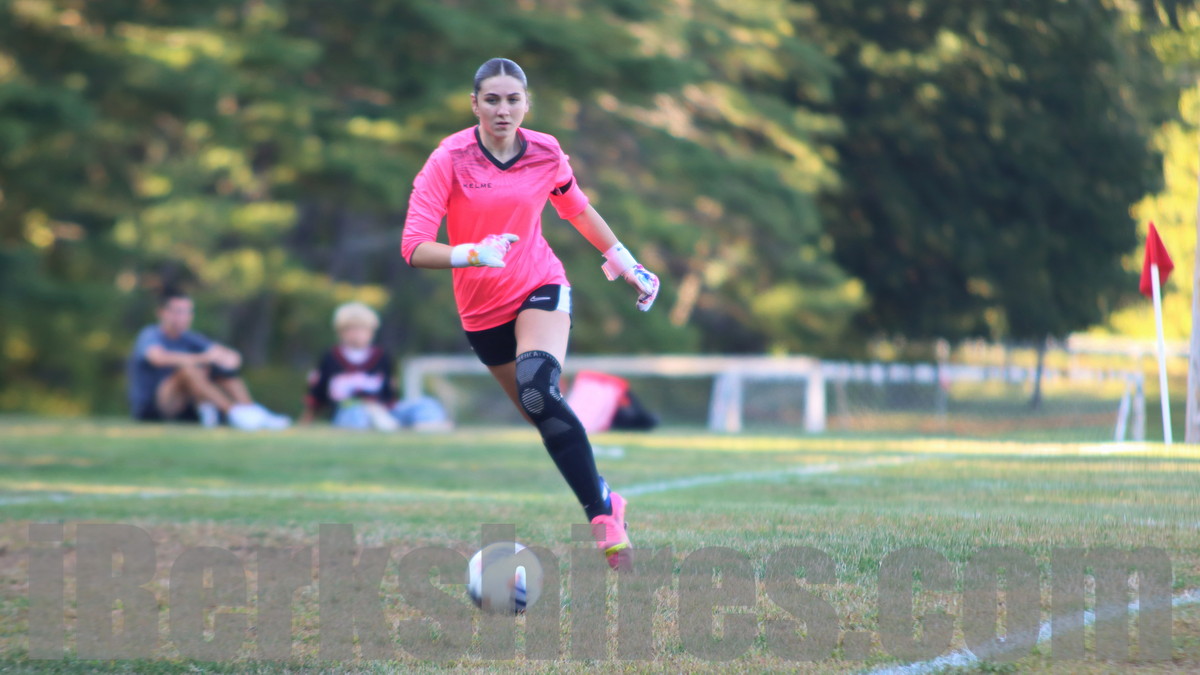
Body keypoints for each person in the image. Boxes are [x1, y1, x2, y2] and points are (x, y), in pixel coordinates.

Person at [401, 57, 661, 569]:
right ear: (474, 104)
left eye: (513, 99)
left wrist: (625, 263)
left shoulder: (545, 151)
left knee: (538, 389)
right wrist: (473, 253)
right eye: (492, 100)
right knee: (539, 412)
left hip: (539, 285)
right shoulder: (448, 158)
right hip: (481, 310)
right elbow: (414, 246)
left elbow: (576, 208)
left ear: (526, 103)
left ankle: (600, 519)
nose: (503, 110)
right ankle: (608, 497)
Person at [126, 290, 291, 430]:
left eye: (188, 312)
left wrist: (220, 361)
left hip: (187, 405)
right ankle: (233, 413)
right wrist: (203, 358)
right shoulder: (151, 334)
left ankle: (251, 411)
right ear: (162, 313)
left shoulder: (190, 338)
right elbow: (157, 357)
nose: (184, 317)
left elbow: (232, 357)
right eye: (178, 312)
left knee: (219, 370)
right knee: (188, 368)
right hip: (154, 407)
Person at [298, 302, 450, 431]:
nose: (357, 334)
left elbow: (391, 394)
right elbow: (317, 394)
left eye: (362, 329)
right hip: (349, 412)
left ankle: (428, 426)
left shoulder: (382, 357)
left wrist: (382, 410)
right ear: (341, 332)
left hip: (383, 411)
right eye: (351, 329)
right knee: (356, 412)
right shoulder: (330, 357)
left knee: (426, 404)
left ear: (371, 332)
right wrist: (305, 422)